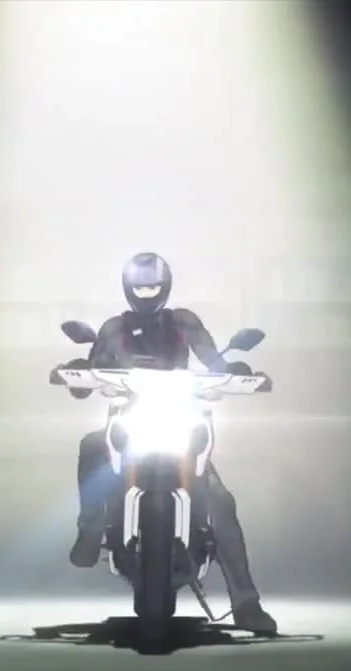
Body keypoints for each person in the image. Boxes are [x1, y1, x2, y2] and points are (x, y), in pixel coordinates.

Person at [63, 252, 277, 634]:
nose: (146, 295)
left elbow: (214, 362)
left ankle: (246, 603)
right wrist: (76, 372)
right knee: (93, 445)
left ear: (165, 288)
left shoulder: (184, 322)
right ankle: (90, 527)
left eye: (152, 288)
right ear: (128, 289)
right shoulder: (113, 328)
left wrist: (237, 372)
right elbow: (89, 375)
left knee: (220, 501)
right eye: (140, 288)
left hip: (180, 421)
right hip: (129, 421)